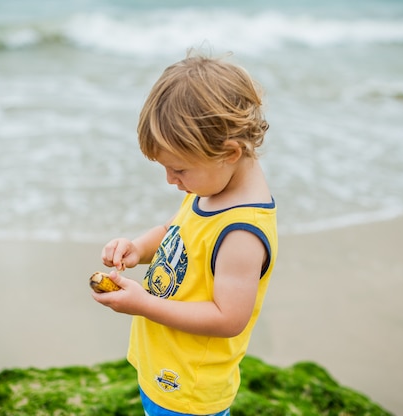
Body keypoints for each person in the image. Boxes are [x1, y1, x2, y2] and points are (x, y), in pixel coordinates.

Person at [93, 51, 278, 416]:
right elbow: (176, 232)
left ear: (228, 152)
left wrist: (143, 304)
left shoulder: (242, 233)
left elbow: (229, 319)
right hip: (166, 369)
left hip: (190, 389)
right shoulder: (210, 189)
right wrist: (137, 247)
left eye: (178, 169)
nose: (170, 180)